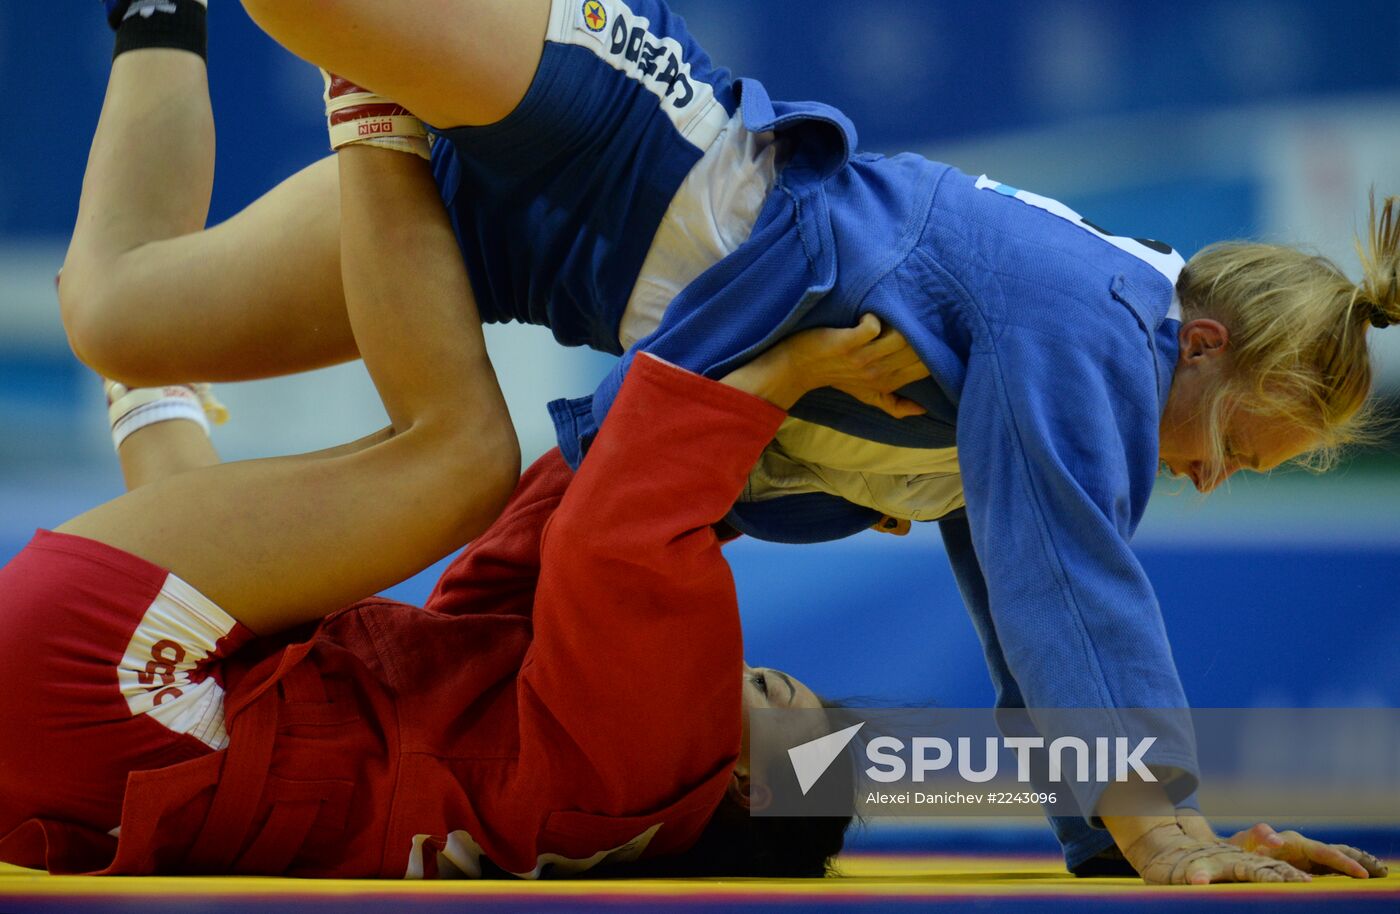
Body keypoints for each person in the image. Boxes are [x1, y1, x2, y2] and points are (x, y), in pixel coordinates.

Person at [59, 0, 1399, 881]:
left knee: (123, 318)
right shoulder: (1111, 329)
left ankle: (152, 17)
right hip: (650, 152)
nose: (1212, 476)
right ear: (1210, 345)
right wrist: (1163, 824)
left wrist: (1117, 842)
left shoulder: (1057, 371)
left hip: (544, 255)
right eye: (1238, 444)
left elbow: (1019, 613)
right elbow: (1069, 580)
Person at [0, 81, 948, 874]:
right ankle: (155, 39)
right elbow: (539, 546)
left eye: (772, 690)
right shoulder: (586, 804)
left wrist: (786, 384)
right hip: (88, 762)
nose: (740, 666)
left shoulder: (673, 753)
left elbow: (619, 525)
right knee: (167, 402)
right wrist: (805, 483)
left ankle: (367, 77)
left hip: (116, 698)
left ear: (753, 781)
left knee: (460, 464)